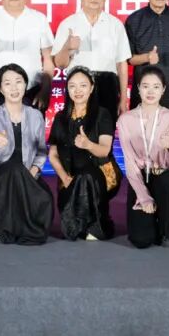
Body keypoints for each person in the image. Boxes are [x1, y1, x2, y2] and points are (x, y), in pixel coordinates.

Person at [0, 64, 53, 245]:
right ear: (1, 89)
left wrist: (34, 170)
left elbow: (41, 150)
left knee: (43, 196)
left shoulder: (35, 115)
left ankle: (18, 228)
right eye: (7, 83)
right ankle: (6, 228)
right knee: (13, 169)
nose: (14, 88)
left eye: (18, 82)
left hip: (27, 174)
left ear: (26, 85)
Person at [117, 66, 169, 248]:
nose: (150, 91)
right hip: (139, 175)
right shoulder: (125, 120)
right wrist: (143, 197)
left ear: (163, 90)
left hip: (165, 173)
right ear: (138, 88)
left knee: (165, 181)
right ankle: (150, 220)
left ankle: (165, 230)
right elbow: (130, 163)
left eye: (156, 87)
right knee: (141, 240)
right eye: (145, 86)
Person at [49, 67, 119, 241]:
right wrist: (65, 178)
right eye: (72, 86)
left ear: (92, 87)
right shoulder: (60, 117)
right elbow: (53, 154)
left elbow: (104, 150)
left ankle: (97, 226)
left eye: (83, 85)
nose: (78, 90)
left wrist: (88, 144)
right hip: (70, 176)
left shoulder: (102, 114)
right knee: (78, 182)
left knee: (86, 175)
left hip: (100, 174)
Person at [52, 0, 131, 116]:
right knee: (77, 127)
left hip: (108, 85)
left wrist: (124, 99)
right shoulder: (68, 24)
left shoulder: (115, 25)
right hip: (78, 85)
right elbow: (60, 64)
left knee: (106, 127)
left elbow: (121, 64)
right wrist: (67, 47)